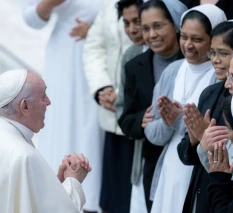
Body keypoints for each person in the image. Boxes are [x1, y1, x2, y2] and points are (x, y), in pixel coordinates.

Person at [143, 4, 226, 213]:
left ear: (213, 39)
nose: (188, 45)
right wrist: (168, 122)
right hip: (171, 167)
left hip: (199, 169)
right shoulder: (172, 71)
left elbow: (214, 133)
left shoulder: (218, 77)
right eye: (184, 37)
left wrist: (179, 120)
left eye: (197, 39)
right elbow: (152, 132)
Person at [23, 1, 104, 212]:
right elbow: (31, 18)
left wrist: (97, 31)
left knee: (93, 125)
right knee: (58, 118)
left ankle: (90, 198)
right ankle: (55, 190)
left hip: (101, 55)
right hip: (65, 55)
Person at [177, 20, 233, 213]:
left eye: (223, 53)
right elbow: (185, 153)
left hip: (230, 194)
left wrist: (205, 141)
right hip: (202, 189)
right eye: (212, 52)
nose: (215, 59)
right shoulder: (209, 93)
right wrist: (194, 140)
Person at [118, 0, 187, 212]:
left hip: (188, 158)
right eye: (145, 28)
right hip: (152, 158)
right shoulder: (134, 66)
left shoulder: (192, 60)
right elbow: (125, 118)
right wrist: (141, 121)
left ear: (175, 25)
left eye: (158, 26)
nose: (151, 35)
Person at [0, 69, 91, 213]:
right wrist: (74, 181)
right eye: (43, 96)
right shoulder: (23, 155)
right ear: (25, 106)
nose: (49, 102)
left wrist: (56, 184)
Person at [83, 0, 134, 212]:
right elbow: (95, 46)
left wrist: (123, 96)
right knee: (112, 195)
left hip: (137, 113)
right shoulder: (110, 5)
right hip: (110, 114)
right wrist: (102, 88)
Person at [114, 0, 148, 209]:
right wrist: (140, 122)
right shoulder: (131, 56)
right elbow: (123, 110)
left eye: (137, 21)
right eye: (126, 23)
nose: (132, 29)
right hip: (142, 153)